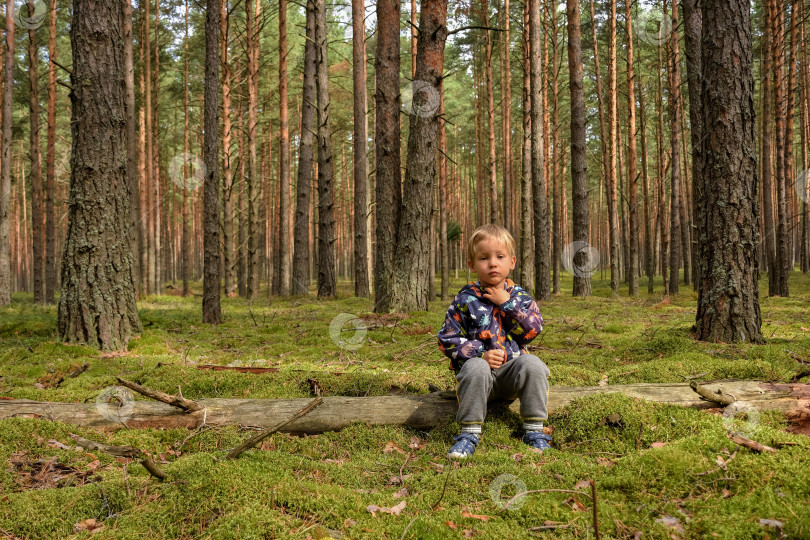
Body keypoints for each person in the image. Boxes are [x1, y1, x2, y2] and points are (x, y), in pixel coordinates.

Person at [437, 224, 551, 459]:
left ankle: (534, 431)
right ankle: (469, 433)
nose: (492, 263)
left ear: (512, 261)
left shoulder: (520, 297)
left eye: (500, 257)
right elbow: (447, 339)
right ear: (472, 264)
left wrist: (506, 304)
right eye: (484, 258)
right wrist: (480, 354)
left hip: (512, 378)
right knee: (477, 366)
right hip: (478, 381)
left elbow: (533, 330)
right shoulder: (465, 299)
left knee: (533, 364)